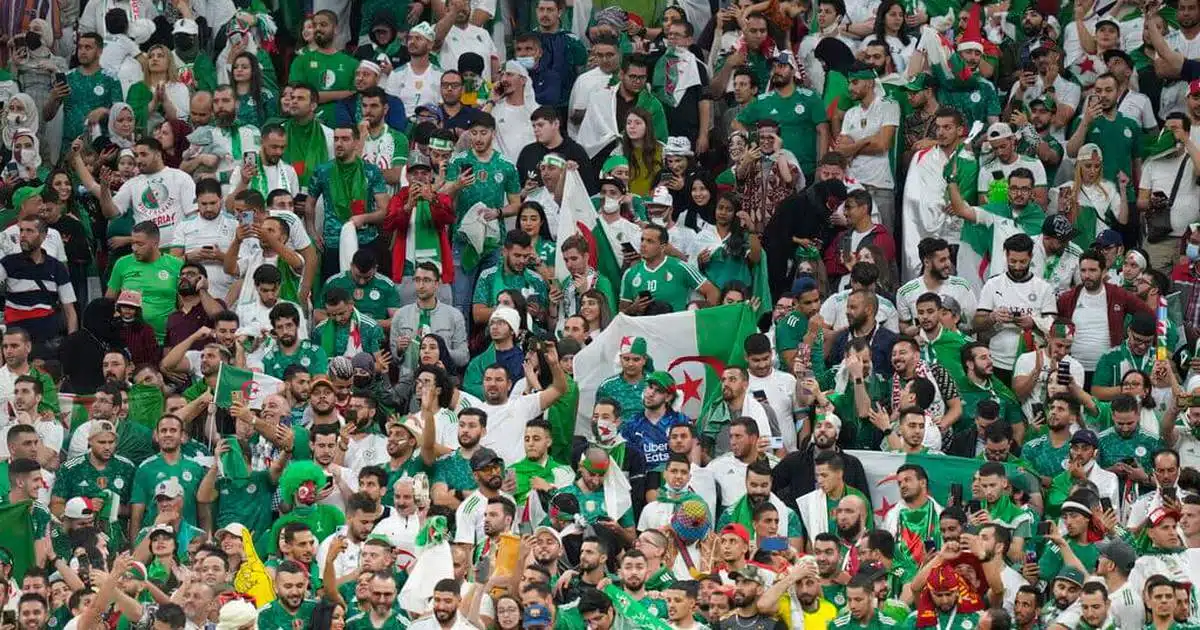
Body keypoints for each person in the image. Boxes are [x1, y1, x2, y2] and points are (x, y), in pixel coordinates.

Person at [306, 125, 390, 282]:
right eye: (336, 139)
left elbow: (384, 210)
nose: (339, 143)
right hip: (333, 242)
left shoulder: (371, 171)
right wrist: (312, 232)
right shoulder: (322, 171)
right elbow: (309, 203)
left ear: (357, 142)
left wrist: (364, 218)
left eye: (345, 139)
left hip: (365, 240)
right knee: (333, 287)